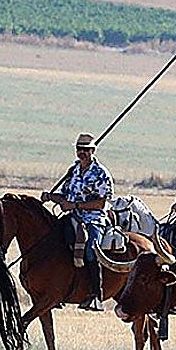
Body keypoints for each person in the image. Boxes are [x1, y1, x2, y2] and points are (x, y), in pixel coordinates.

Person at [42, 132, 113, 311]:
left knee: (90, 250)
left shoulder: (101, 173)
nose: (82, 152)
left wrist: (75, 205)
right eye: (79, 149)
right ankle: (57, 289)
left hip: (93, 219)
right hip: (72, 217)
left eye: (86, 150)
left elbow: (101, 203)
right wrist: (51, 197)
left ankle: (96, 295)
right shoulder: (73, 171)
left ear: (93, 150)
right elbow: (65, 197)